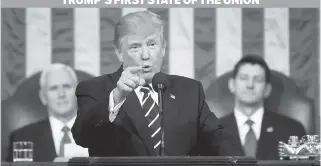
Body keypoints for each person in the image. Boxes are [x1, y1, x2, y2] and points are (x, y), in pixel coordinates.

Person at [71, 11, 242, 157]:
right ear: (119, 53)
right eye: (135, 47)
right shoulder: (95, 89)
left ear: (163, 49)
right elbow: (82, 136)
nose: (145, 55)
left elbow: (219, 139)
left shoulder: (189, 91)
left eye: (152, 44)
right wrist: (116, 97)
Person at [220, 55, 307, 160]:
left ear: (267, 89)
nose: (250, 85)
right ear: (232, 85)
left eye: (258, 80)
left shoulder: (292, 130)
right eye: (244, 78)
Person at [7, 63, 88, 162]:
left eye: (66, 86)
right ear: (43, 97)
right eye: (54, 88)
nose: (61, 94)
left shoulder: (103, 133)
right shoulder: (22, 138)